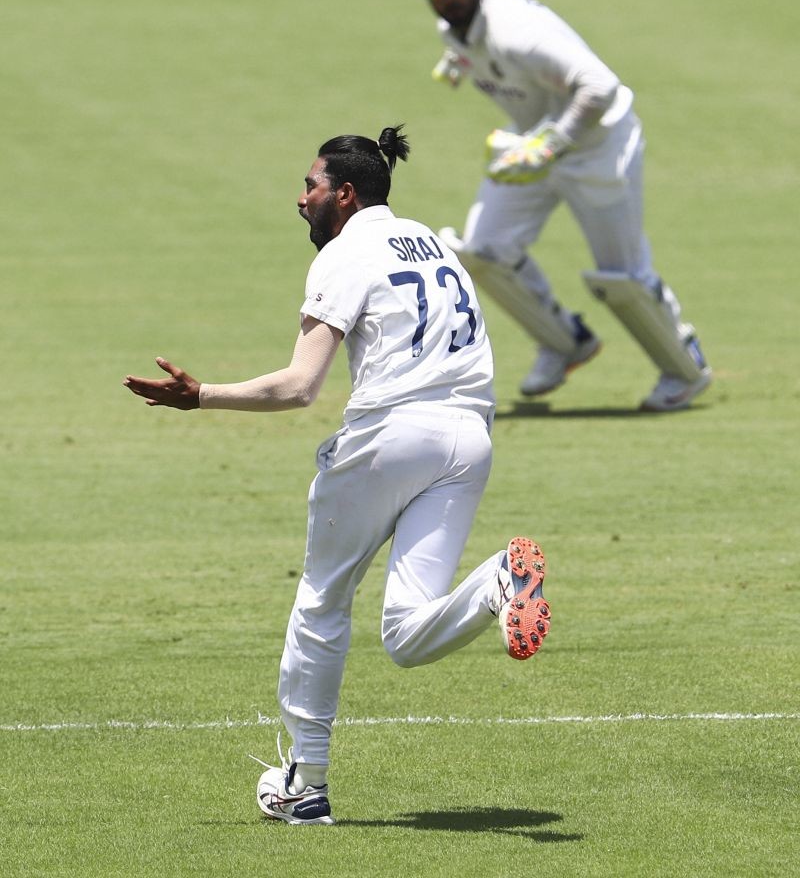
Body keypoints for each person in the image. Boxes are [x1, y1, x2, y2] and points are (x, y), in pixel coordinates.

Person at [124, 126, 551, 826]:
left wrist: (201, 396)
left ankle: (306, 785)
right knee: (407, 635)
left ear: (344, 194)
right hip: (469, 438)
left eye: (311, 186)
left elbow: (299, 386)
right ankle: (499, 581)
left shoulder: (346, 254)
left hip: (391, 436)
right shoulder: (436, 243)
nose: (302, 199)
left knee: (322, 603)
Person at [416, 0, 712, 411]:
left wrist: (555, 143)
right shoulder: (453, 27)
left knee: (621, 278)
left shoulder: (520, 30)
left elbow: (601, 86)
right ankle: (564, 343)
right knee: (482, 252)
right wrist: (459, 62)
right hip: (531, 142)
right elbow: (478, 53)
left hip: (598, 147)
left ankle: (685, 373)